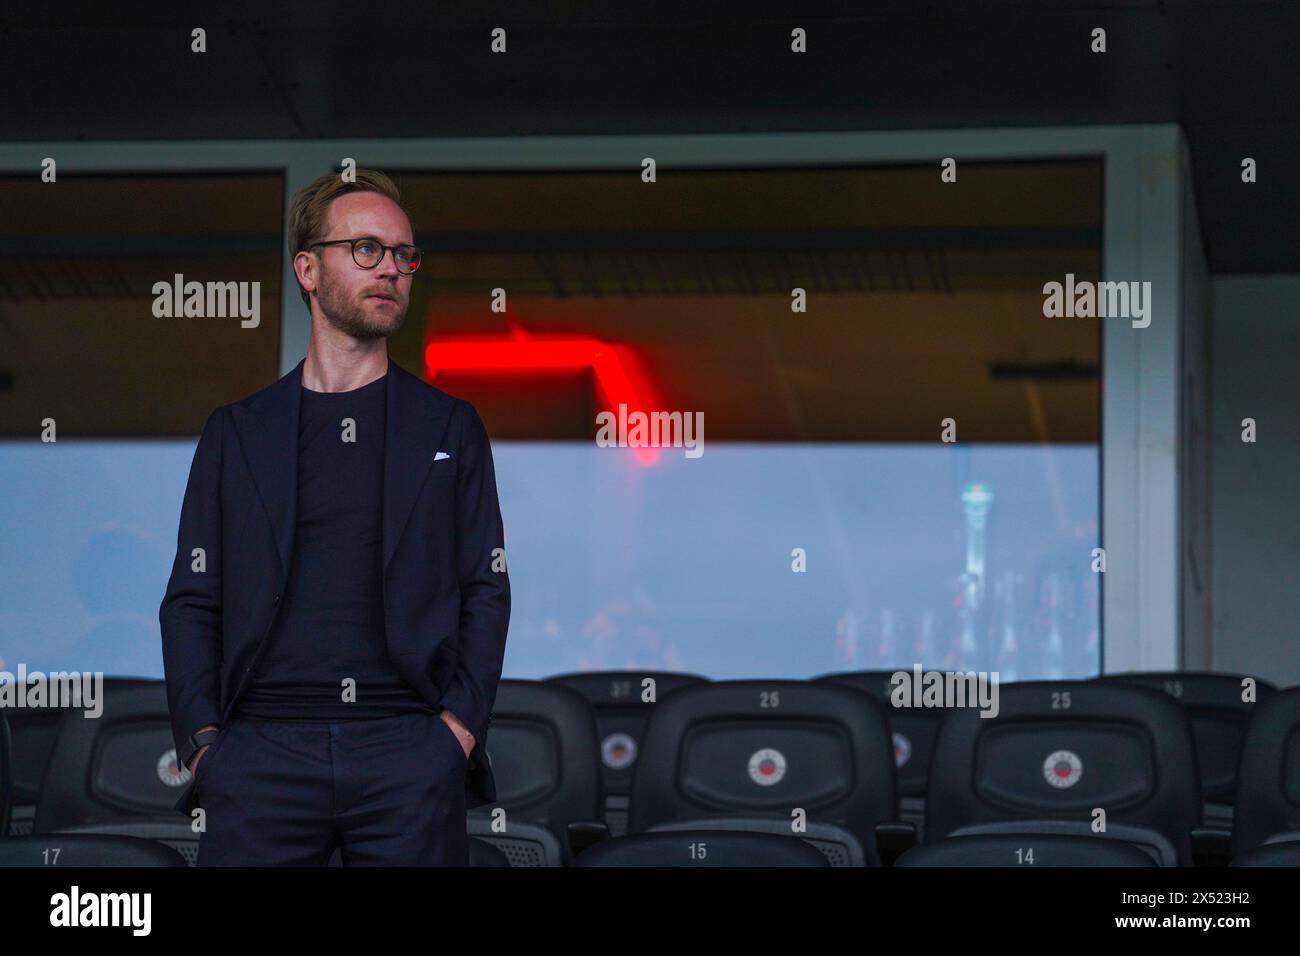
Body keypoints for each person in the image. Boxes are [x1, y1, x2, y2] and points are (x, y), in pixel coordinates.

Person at [159, 169, 510, 865]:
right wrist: (205, 747)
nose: (392, 270)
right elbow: (193, 600)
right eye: (367, 250)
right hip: (260, 754)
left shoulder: (449, 426)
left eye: (404, 256)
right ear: (308, 269)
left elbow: (485, 589)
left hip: (408, 750)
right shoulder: (237, 431)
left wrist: (455, 734)